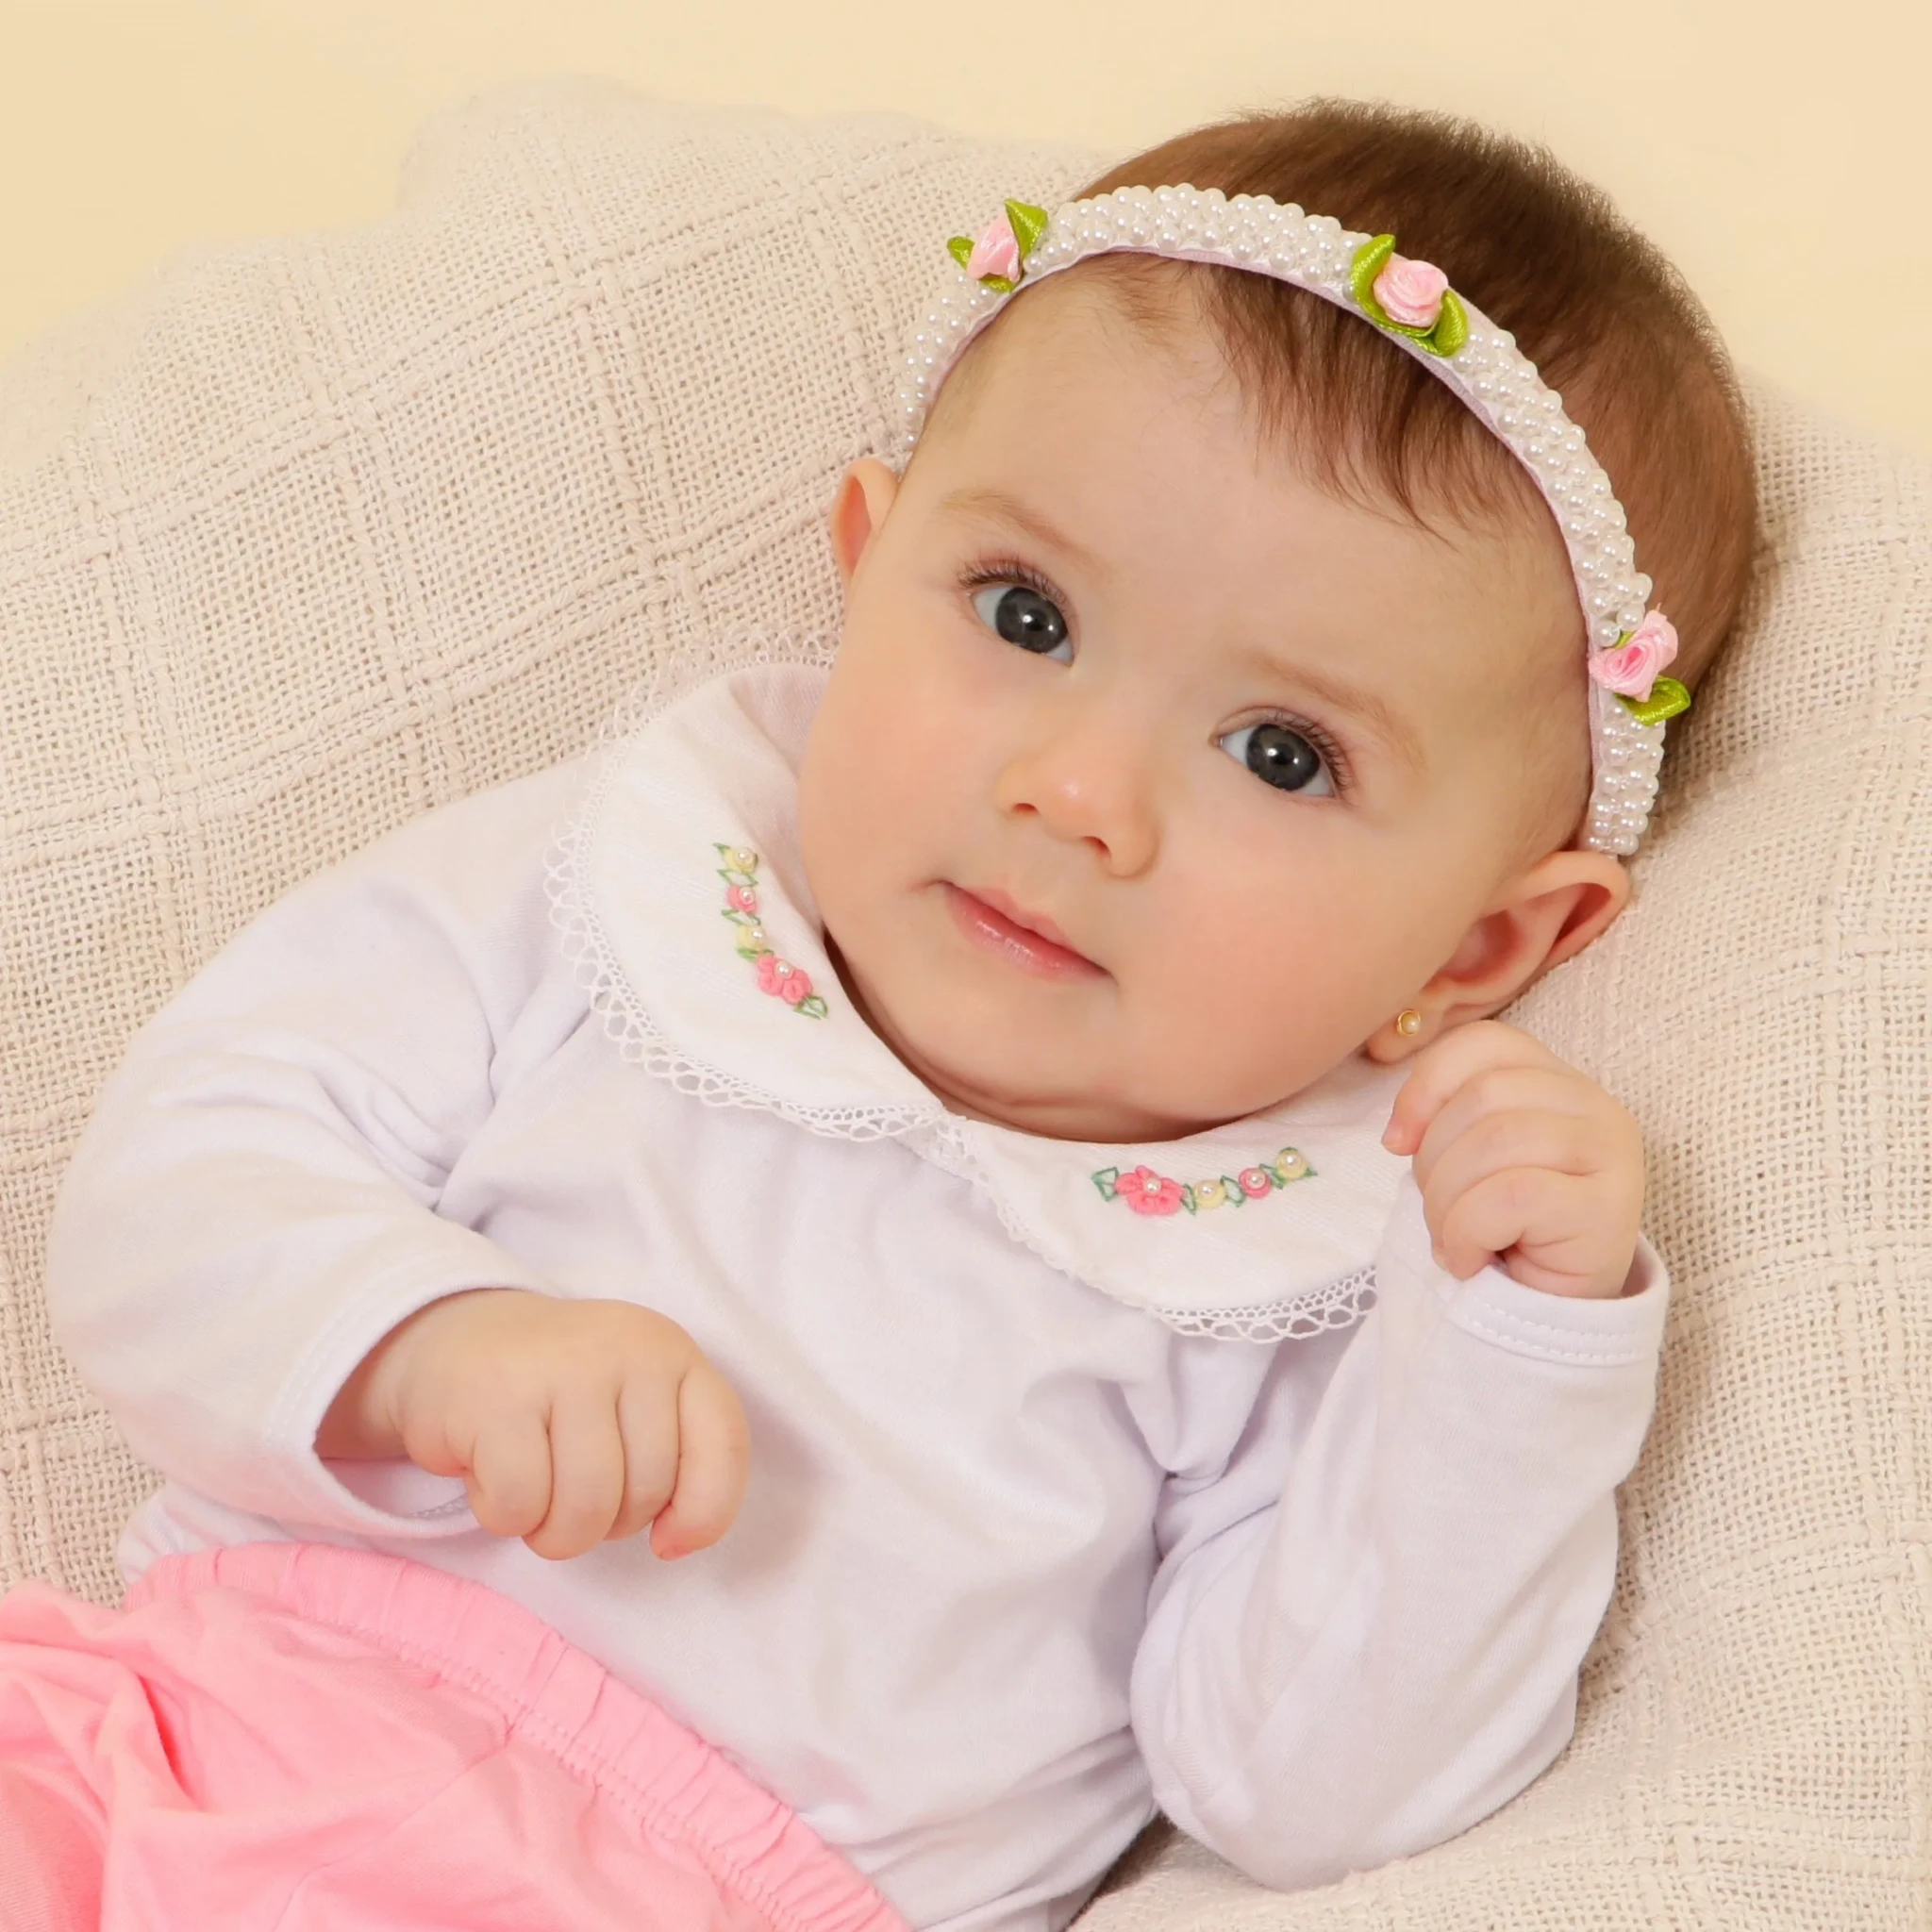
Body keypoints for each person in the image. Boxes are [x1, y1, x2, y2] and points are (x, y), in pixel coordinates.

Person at [17, 99, 1755, 1932]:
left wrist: (1508, 1360)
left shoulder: (1309, 1268)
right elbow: (178, 1181)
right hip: (211, 1735)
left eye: (1279, 754)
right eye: (1025, 616)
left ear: (1476, 951)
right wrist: (427, 1341)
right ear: (865, 560)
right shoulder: (637, 887)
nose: (1078, 794)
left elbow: (1307, 1795)